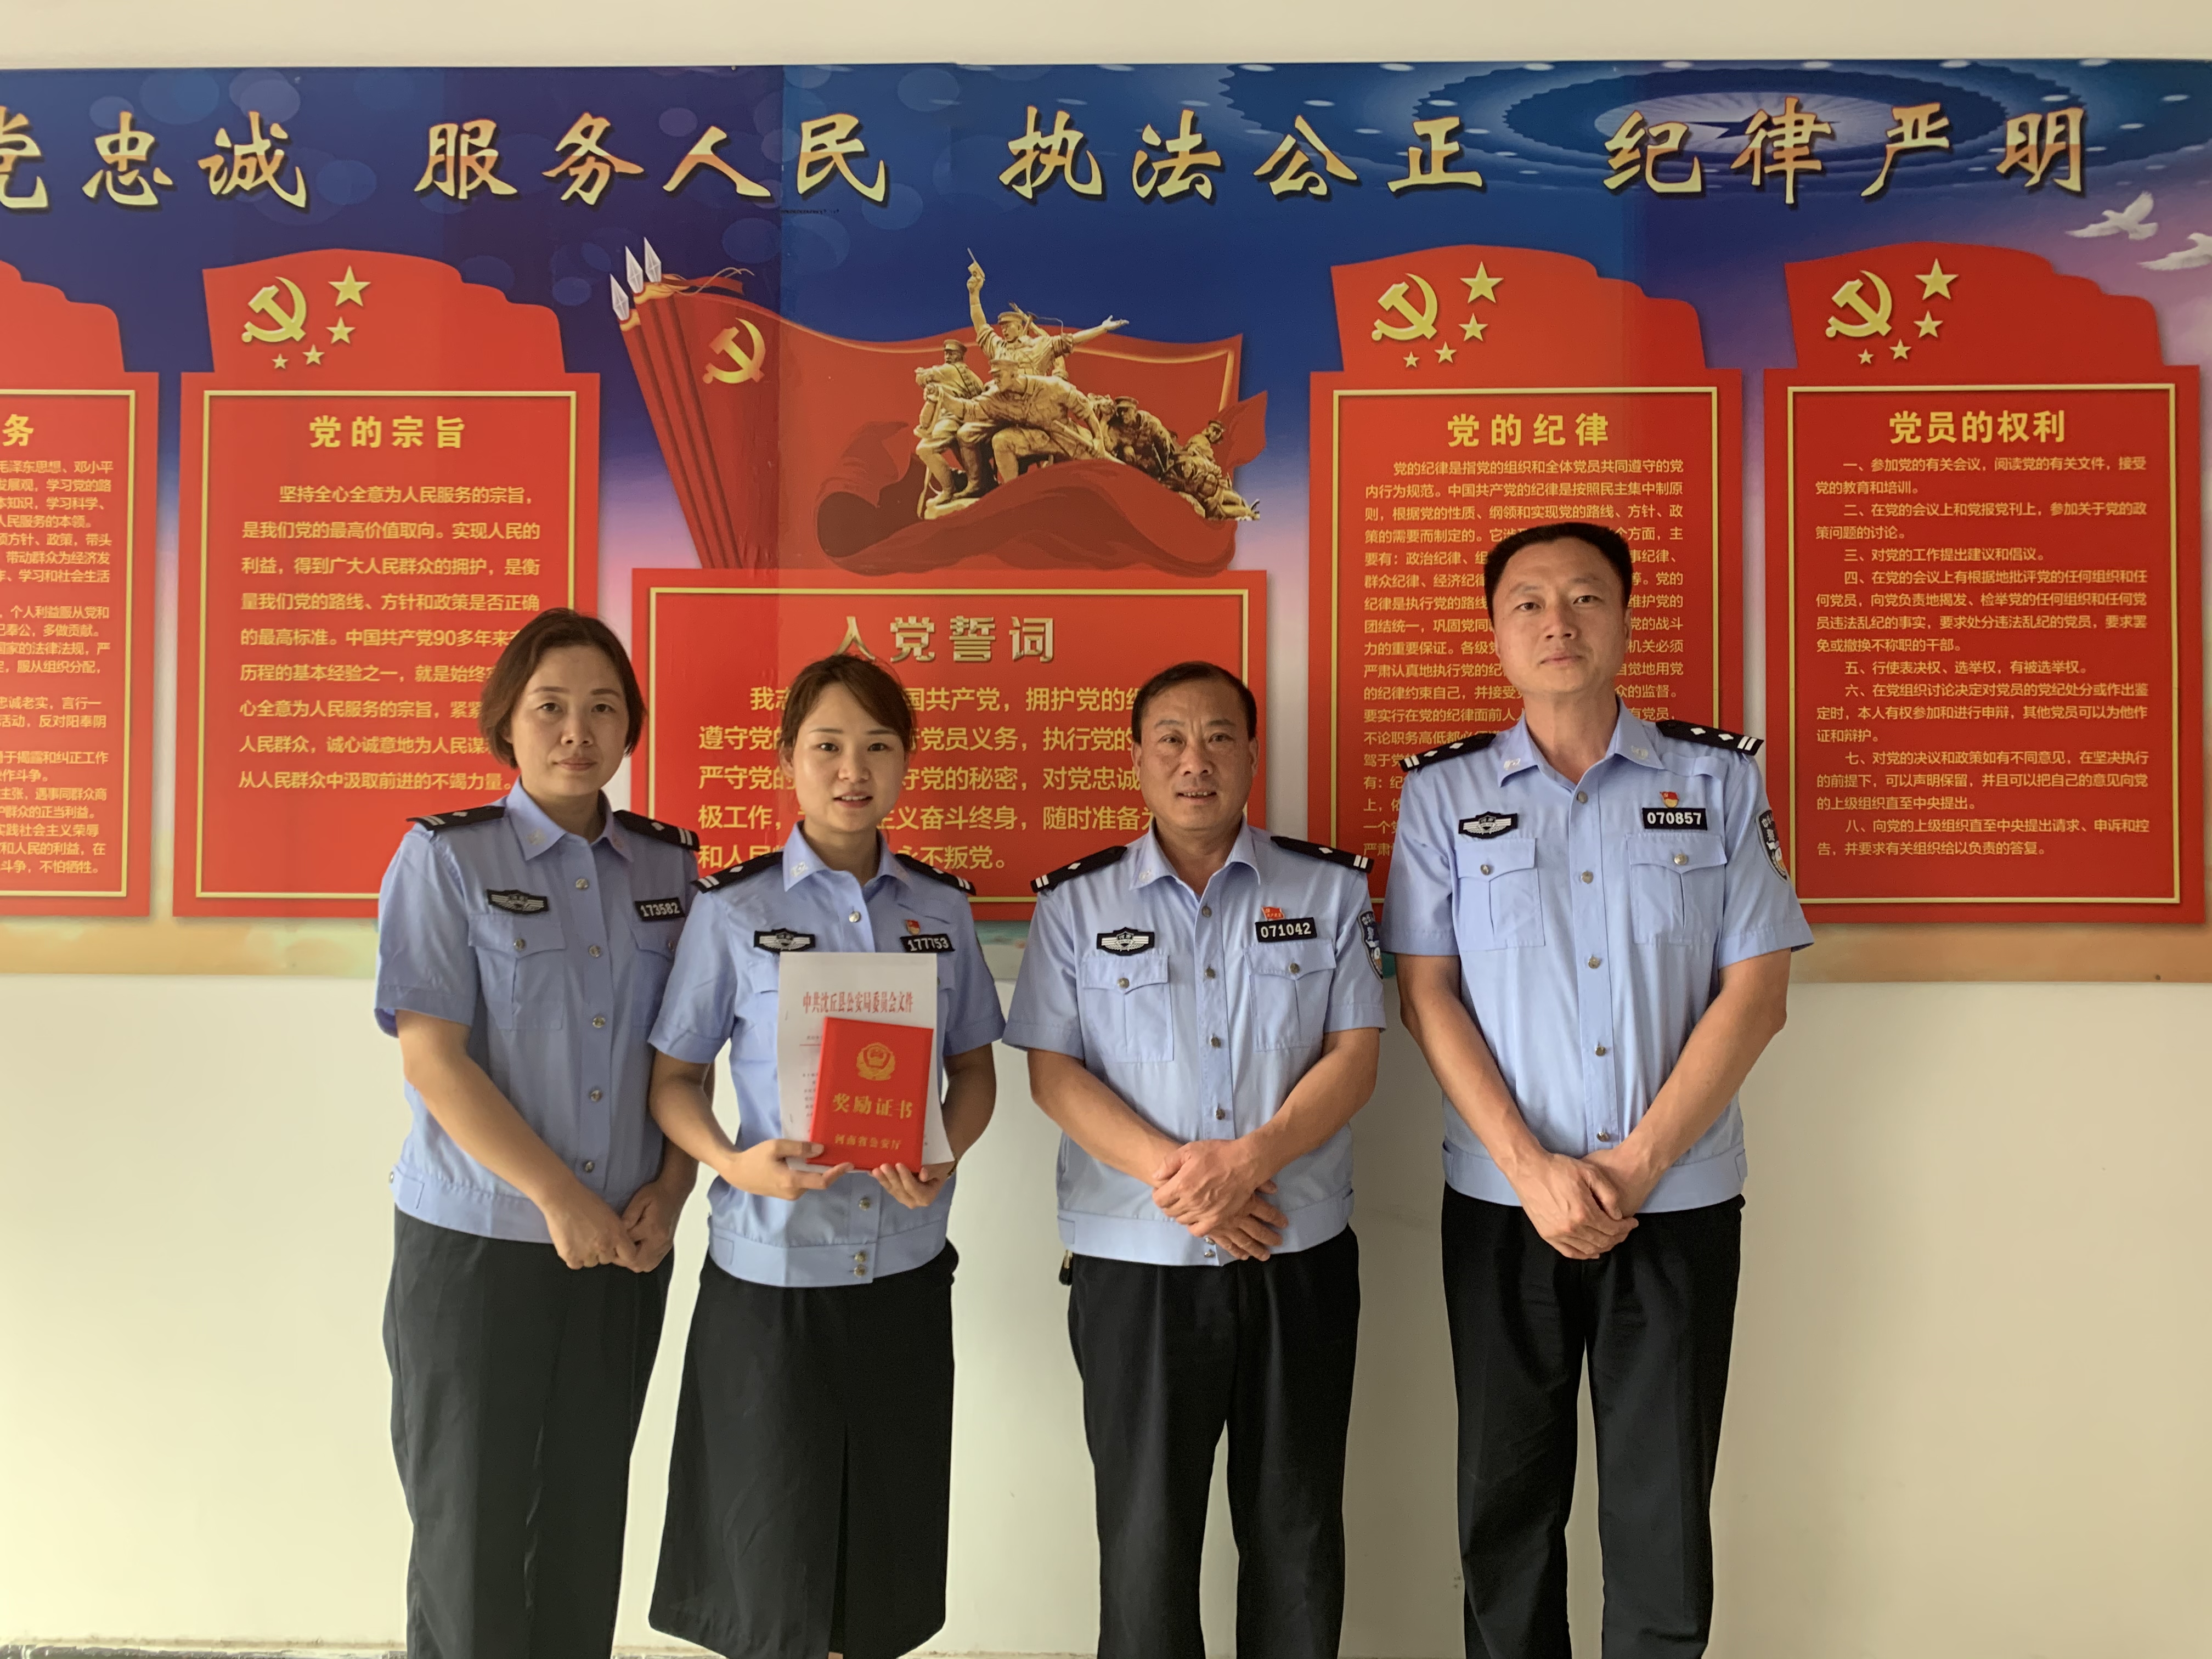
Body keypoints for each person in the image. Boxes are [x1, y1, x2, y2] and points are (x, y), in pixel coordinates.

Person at [1381, 522, 1812, 1658]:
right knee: (1506, 1505)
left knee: (1662, 1509)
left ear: (1624, 619)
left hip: (1673, 1203)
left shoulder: (1716, 781)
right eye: (1527, 602)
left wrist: (1635, 1163)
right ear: (1496, 633)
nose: (1557, 622)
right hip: (1502, 1208)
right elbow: (1427, 995)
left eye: (1584, 597)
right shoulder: (1442, 794)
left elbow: (1757, 993)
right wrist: (1534, 1171)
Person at [1003, 661, 1384, 1659]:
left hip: (1294, 1255)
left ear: (1253, 754)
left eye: (1219, 737)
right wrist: (1190, 1184)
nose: (1195, 760)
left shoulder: (1329, 890)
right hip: (1139, 1267)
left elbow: (1355, 1058)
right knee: (1146, 1543)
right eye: (1170, 739)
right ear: (1136, 760)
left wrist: (1249, 1160)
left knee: (1297, 1532)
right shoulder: (1076, 905)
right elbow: (1052, 1073)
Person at [644, 653, 1003, 1659]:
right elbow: (673, 1081)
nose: (854, 770)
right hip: (772, 1278)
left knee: (882, 1561)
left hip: (902, 1270)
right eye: (829, 747)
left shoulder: (941, 911)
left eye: (878, 746)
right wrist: (734, 1163)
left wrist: (947, 1148)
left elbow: (975, 1069)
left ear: (905, 762)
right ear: (788, 762)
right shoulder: (733, 911)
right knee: (766, 1572)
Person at [374, 607, 703, 1659]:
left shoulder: (669, 871)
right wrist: (560, 1197)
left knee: (583, 1524)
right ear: (506, 723)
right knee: (469, 1534)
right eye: (551, 706)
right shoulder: (447, 859)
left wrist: (674, 1188)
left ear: (630, 727)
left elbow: (685, 1059)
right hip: (482, 1250)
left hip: (624, 1250)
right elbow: (433, 1059)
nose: (577, 731)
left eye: (603, 709)